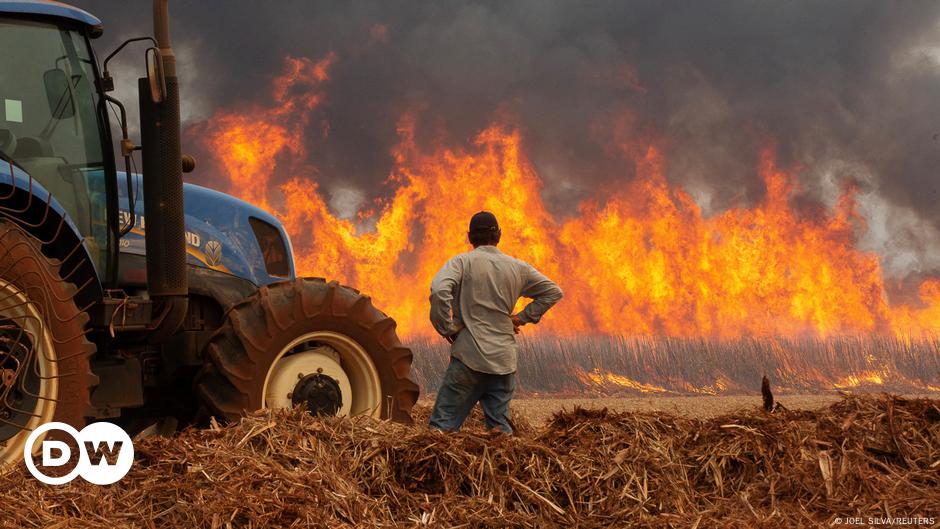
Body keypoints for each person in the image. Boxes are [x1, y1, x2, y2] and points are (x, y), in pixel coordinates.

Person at [428, 211, 563, 434]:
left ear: (470, 237)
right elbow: (553, 292)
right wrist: (521, 317)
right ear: (499, 235)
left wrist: (446, 327)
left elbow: (440, 290)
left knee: (441, 431)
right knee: (500, 436)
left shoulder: (462, 263)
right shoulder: (518, 267)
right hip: (503, 362)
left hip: (469, 359)